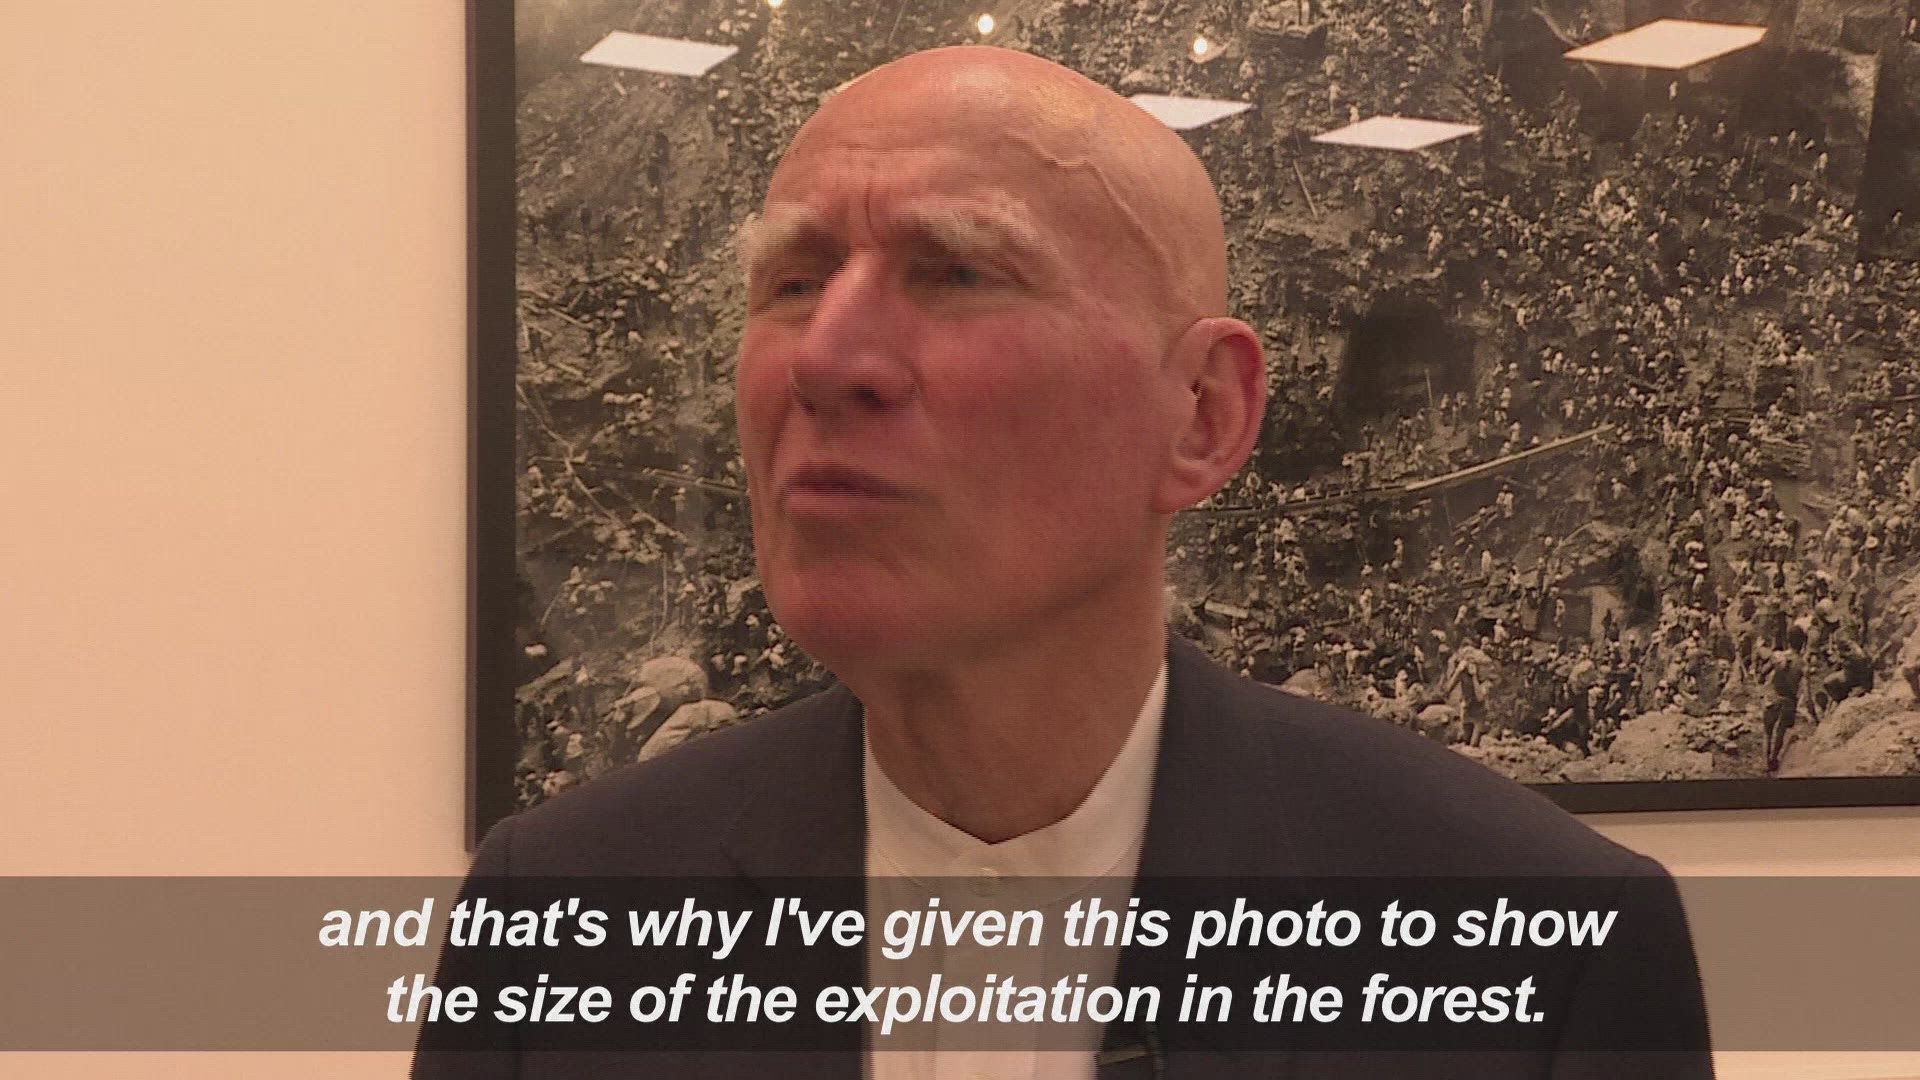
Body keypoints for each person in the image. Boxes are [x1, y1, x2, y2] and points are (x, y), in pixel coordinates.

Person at [417, 46, 1710, 1079]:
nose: (825, 359)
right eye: (796, 281)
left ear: (1202, 415)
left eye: (956, 271)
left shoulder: (1538, 952)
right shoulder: (559, 916)